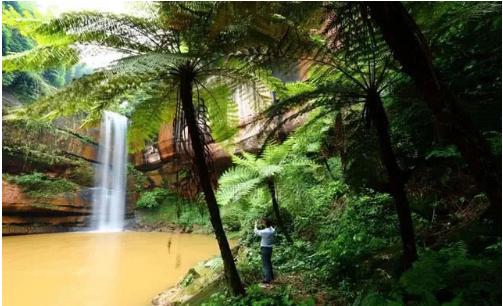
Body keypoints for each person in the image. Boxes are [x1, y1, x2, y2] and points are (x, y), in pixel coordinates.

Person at [254, 218, 276, 285]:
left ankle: (267, 279)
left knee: (265, 264)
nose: (263, 223)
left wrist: (255, 224)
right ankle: (271, 277)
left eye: (263, 222)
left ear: (265, 224)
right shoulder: (272, 230)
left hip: (265, 248)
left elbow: (256, 231)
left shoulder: (265, 232)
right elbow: (270, 227)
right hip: (270, 248)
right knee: (268, 262)